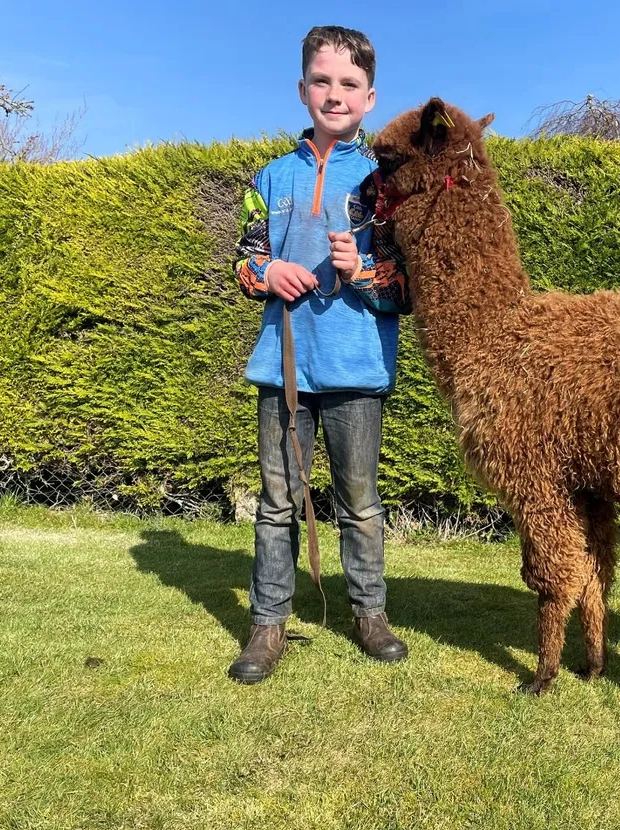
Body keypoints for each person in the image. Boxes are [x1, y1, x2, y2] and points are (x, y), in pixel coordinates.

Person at [229, 25, 409, 684]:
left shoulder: (390, 184)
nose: (335, 94)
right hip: (281, 370)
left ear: (369, 97)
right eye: (322, 81)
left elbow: (407, 289)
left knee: (360, 503)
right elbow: (244, 259)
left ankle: (370, 614)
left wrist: (361, 271)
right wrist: (268, 272)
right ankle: (267, 625)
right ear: (303, 88)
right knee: (276, 504)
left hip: (358, 370)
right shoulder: (269, 178)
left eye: (349, 84)